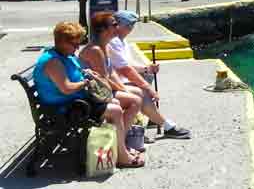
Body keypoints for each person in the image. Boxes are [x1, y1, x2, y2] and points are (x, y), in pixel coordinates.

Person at [34, 21, 144, 168]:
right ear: (62, 42)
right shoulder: (53, 61)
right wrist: (85, 82)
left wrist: (87, 73)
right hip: (65, 107)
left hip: (75, 101)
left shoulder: (64, 55)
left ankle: (117, 149)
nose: (77, 47)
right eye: (74, 44)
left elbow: (75, 75)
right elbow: (66, 88)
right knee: (116, 110)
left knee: (116, 104)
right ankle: (122, 157)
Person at [109, 11, 192, 139]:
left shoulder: (122, 41)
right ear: (117, 25)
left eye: (132, 26)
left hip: (120, 80)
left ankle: (153, 115)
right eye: (128, 25)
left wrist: (147, 69)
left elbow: (128, 64)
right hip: (116, 82)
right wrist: (148, 86)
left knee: (147, 78)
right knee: (142, 91)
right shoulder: (113, 42)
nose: (131, 29)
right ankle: (166, 124)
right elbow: (125, 69)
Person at [79, 13, 144, 159]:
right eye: (114, 25)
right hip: (93, 94)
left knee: (136, 93)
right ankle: (120, 150)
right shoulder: (95, 50)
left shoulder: (105, 46)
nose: (118, 27)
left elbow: (110, 73)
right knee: (135, 101)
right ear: (103, 29)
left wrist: (123, 88)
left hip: (101, 90)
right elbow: (104, 79)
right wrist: (123, 90)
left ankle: (120, 142)